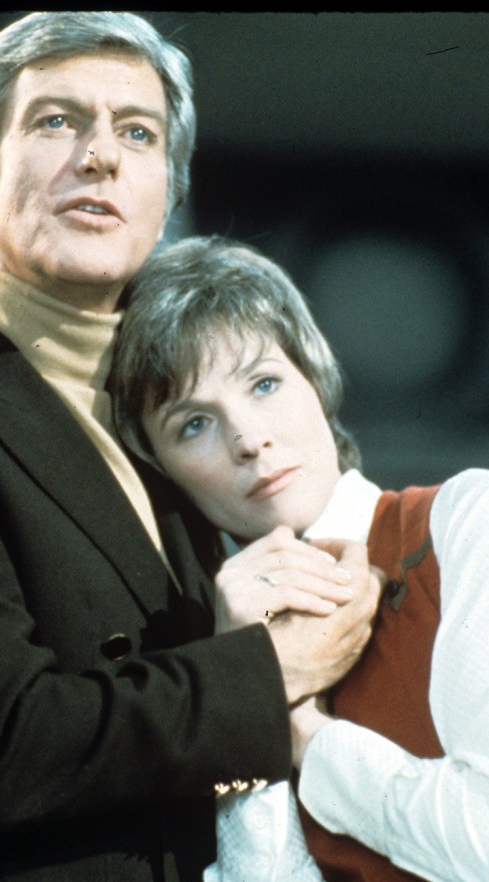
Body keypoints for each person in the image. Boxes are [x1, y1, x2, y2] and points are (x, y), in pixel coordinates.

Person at [0, 13, 380, 882]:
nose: (100, 155)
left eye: (137, 132)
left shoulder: (171, 415)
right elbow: (2, 747)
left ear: (164, 197)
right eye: (55, 121)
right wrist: (266, 676)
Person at [110, 233, 489, 881]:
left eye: (263, 384)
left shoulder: (463, 522)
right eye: (193, 424)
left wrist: (301, 737)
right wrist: (245, 683)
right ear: (162, 471)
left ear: (314, 379)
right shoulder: (208, 659)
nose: (249, 439)